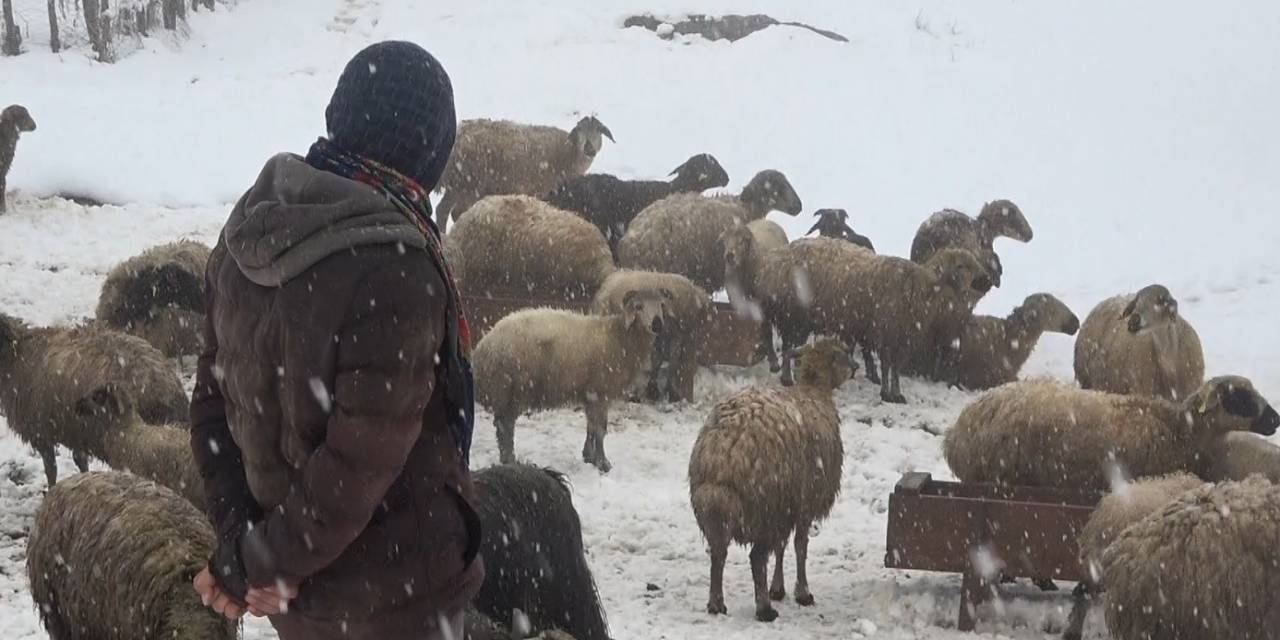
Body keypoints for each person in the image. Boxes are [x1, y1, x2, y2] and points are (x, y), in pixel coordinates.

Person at [189, 40, 483, 640]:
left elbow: (214, 408)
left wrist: (246, 552)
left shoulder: (252, 232)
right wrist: (260, 561)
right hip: (394, 593)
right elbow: (360, 461)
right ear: (430, 151)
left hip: (301, 599)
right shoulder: (397, 266)